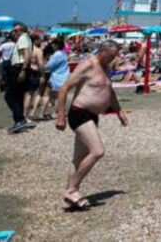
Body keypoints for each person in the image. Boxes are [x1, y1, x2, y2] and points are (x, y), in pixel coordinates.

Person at [54, 40, 129, 211]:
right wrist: (60, 115)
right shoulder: (88, 64)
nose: (113, 59)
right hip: (79, 113)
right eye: (110, 55)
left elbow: (109, 92)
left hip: (93, 116)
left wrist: (119, 112)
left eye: (115, 56)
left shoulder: (107, 68)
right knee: (98, 151)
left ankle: (68, 200)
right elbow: (64, 88)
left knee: (78, 159)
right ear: (102, 51)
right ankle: (71, 190)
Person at [5, 24, 33, 133]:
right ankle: (19, 121)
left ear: (21, 30)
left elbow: (26, 54)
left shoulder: (22, 38)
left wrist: (23, 70)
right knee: (18, 96)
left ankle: (19, 119)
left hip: (19, 67)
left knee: (10, 96)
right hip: (21, 67)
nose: (14, 32)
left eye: (16, 30)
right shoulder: (27, 38)